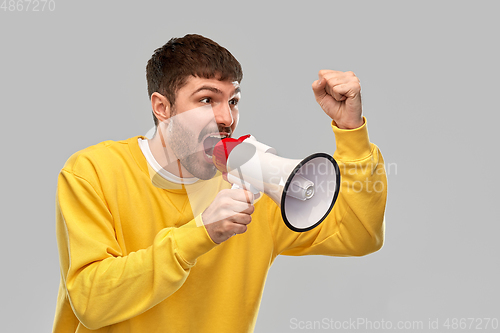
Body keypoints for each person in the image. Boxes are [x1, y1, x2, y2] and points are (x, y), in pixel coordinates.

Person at [52, 34, 387, 332]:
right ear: (162, 108)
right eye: (206, 100)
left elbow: (360, 236)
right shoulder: (93, 171)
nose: (226, 118)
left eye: (233, 101)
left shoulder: (255, 184)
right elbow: (90, 303)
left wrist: (351, 132)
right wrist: (201, 233)